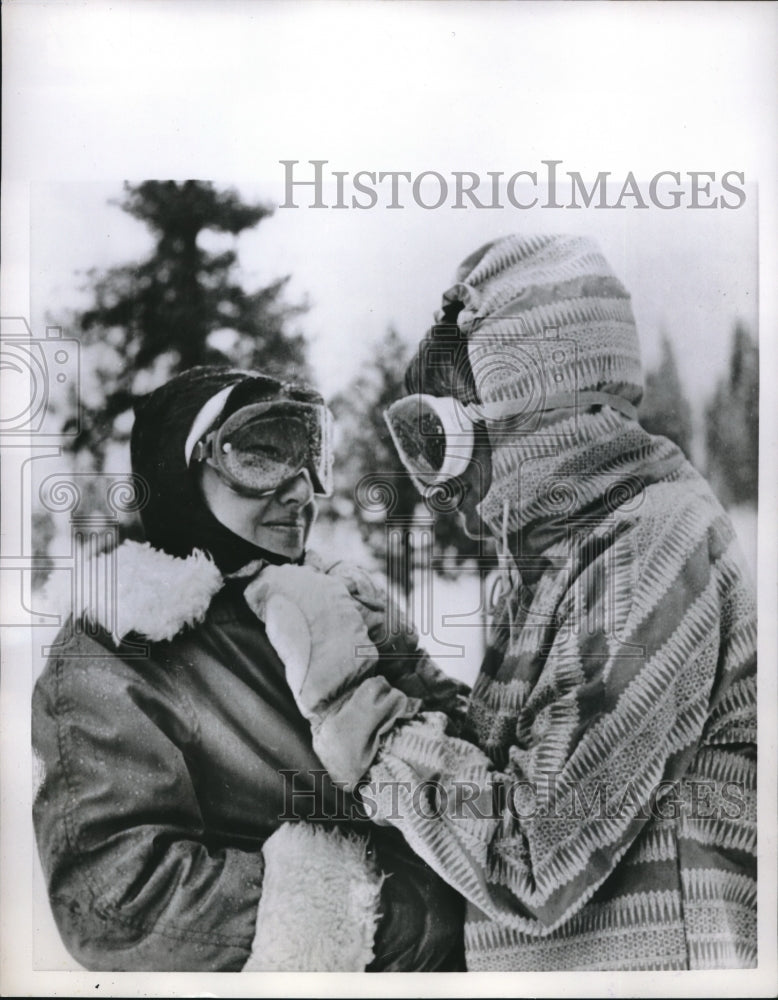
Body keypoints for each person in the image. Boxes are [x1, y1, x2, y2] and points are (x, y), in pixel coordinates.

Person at [252, 234, 758, 971]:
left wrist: (356, 707)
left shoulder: (654, 548)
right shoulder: (569, 561)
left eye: (438, 440)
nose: (437, 488)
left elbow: (536, 848)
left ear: (528, 411)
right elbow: (517, 772)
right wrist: (403, 668)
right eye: (412, 445)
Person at [32, 365, 468, 972]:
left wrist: (398, 659)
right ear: (180, 471)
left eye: (312, 459)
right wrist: (396, 915)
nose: (300, 491)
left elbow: (469, 762)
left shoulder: (327, 608)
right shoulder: (119, 651)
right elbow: (118, 896)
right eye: (261, 457)